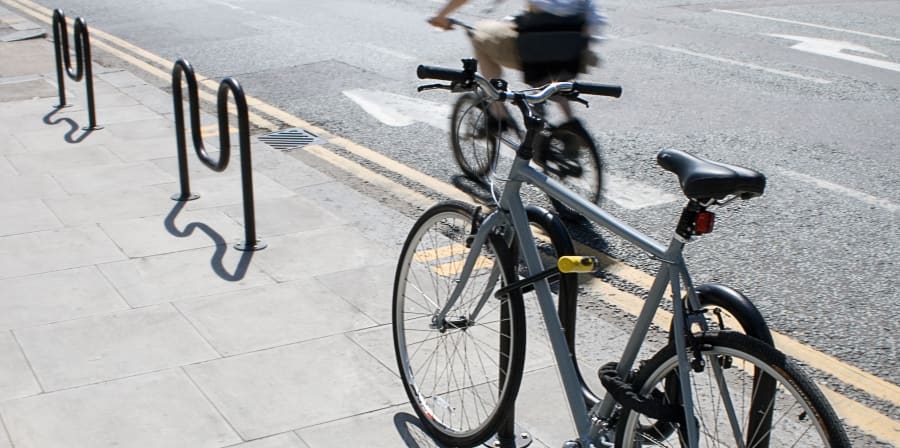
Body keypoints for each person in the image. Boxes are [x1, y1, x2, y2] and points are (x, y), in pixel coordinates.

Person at [429, 0, 607, 123]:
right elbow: (595, 21)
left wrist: (441, 15)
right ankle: (570, 123)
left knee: (479, 34)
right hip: (573, 53)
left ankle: (498, 113)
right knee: (555, 65)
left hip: (534, 52)